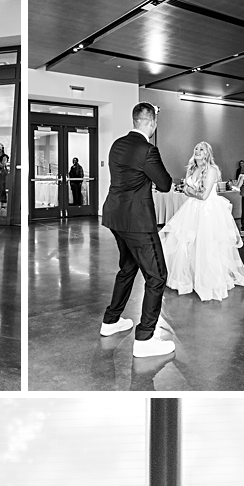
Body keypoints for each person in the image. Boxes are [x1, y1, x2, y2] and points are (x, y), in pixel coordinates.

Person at [99, 102, 175, 359]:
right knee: (157, 276)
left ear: (135, 120)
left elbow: (128, 178)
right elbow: (165, 184)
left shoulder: (117, 145)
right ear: (151, 123)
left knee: (128, 268)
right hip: (138, 222)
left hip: (114, 216)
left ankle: (111, 321)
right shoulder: (148, 150)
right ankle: (145, 338)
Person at [160, 141, 244, 303]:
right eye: (196, 149)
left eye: (201, 149)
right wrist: (191, 191)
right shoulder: (193, 169)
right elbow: (188, 191)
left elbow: (204, 196)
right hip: (192, 210)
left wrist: (190, 191)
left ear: (207, 154)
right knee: (189, 245)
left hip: (208, 212)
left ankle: (208, 280)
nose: (198, 151)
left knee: (206, 245)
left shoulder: (212, 170)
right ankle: (192, 277)